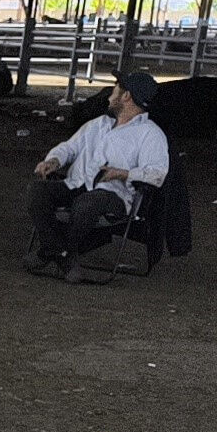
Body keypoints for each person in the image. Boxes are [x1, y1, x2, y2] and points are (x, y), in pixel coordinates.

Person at [24, 71, 168, 283]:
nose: (111, 93)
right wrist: (53, 160)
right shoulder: (98, 124)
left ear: (126, 96)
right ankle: (63, 254)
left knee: (88, 203)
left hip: (114, 195)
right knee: (37, 191)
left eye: (116, 88)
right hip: (76, 184)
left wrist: (124, 174)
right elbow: (69, 148)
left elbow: (157, 174)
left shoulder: (151, 134)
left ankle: (50, 251)